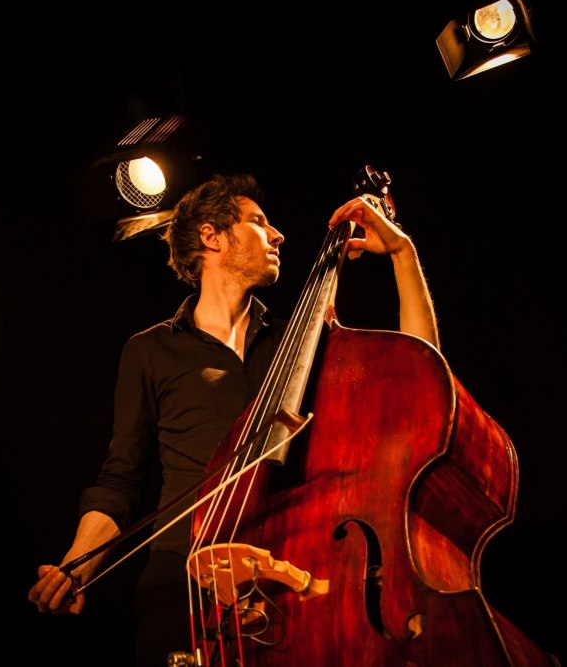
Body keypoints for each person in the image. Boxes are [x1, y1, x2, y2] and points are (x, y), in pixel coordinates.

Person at [28, 172, 439, 667]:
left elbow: (421, 373)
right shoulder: (150, 350)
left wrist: (402, 253)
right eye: (259, 222)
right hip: (182, 580)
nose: (278, 235)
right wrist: (76, 568)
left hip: (291, 574)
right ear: (212, 236)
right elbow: (120, 481)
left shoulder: (301, 346)